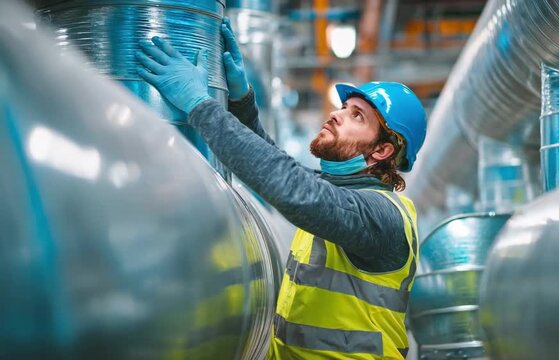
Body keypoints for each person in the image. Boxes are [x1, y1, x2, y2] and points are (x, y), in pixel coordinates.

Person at [135, 17, 427, 360]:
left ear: (382, 151)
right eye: (344, 108)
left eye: (357, 117)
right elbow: (277, 165)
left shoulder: (381, 216)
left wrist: (200, 104)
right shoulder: (340, 196)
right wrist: (242, 101)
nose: (336, 114)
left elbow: (291, 187)